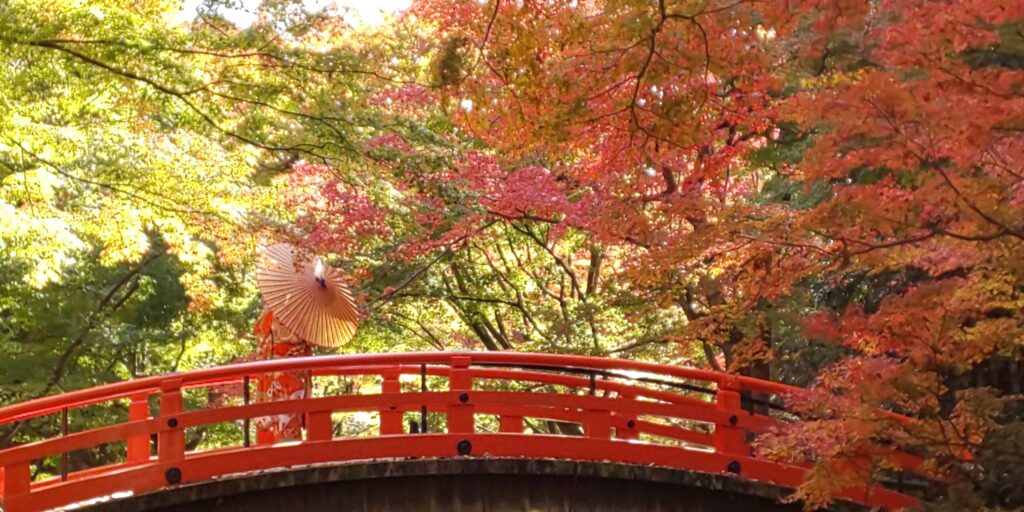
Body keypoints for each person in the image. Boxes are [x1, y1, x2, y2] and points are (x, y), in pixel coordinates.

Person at [252, 308, 313, 444]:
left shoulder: (272, 313)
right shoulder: (305, 314)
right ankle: (286, 455)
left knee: (286, 417)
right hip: (292, 371)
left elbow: (260, 334)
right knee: (285, 417)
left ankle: (281, 455)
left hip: (280, 372)